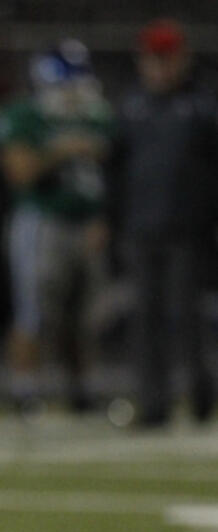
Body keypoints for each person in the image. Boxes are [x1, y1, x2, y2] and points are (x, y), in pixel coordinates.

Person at [0, 39, 114, 415]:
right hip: (41, 222)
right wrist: (63, 149)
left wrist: (101, 218)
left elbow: (114, 176)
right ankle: (25, 392)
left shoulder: (99, 115)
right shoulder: (23, 115)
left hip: (87, 223)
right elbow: (19, 173)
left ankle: (84, 391)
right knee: (35, 312)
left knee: (85, 317)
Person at [109, 19, 218, 427]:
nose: (160, 68)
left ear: (182, 59)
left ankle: (201, 394)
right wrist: (110, 222)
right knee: (144, 321)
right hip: (140, 231)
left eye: (167, 59)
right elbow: (115, 172)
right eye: (154, 59)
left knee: (187, 319)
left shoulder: (203, 107)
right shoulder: (130, 107)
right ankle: (154, 404)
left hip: (189, 231)